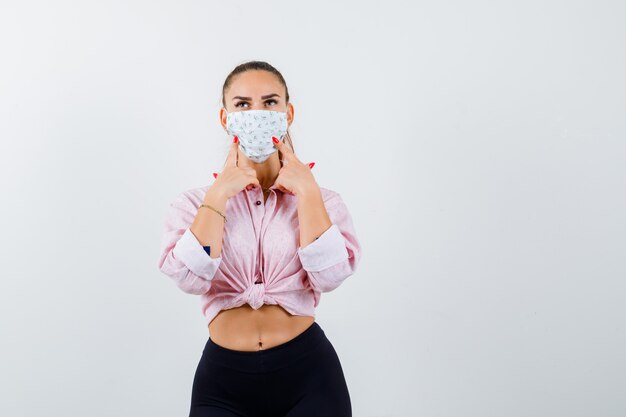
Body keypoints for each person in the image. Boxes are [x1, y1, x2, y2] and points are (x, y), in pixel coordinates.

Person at [157, 60, 362, 417]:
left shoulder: (323, 200)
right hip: (223, 382)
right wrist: (219, 195)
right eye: (242, 104)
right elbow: (189, 278)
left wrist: (307, 193)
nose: (256, 113)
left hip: (309, 376)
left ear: (288, 112)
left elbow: (330, 277)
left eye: (269, 102)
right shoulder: (194, 203)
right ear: (225, 117)